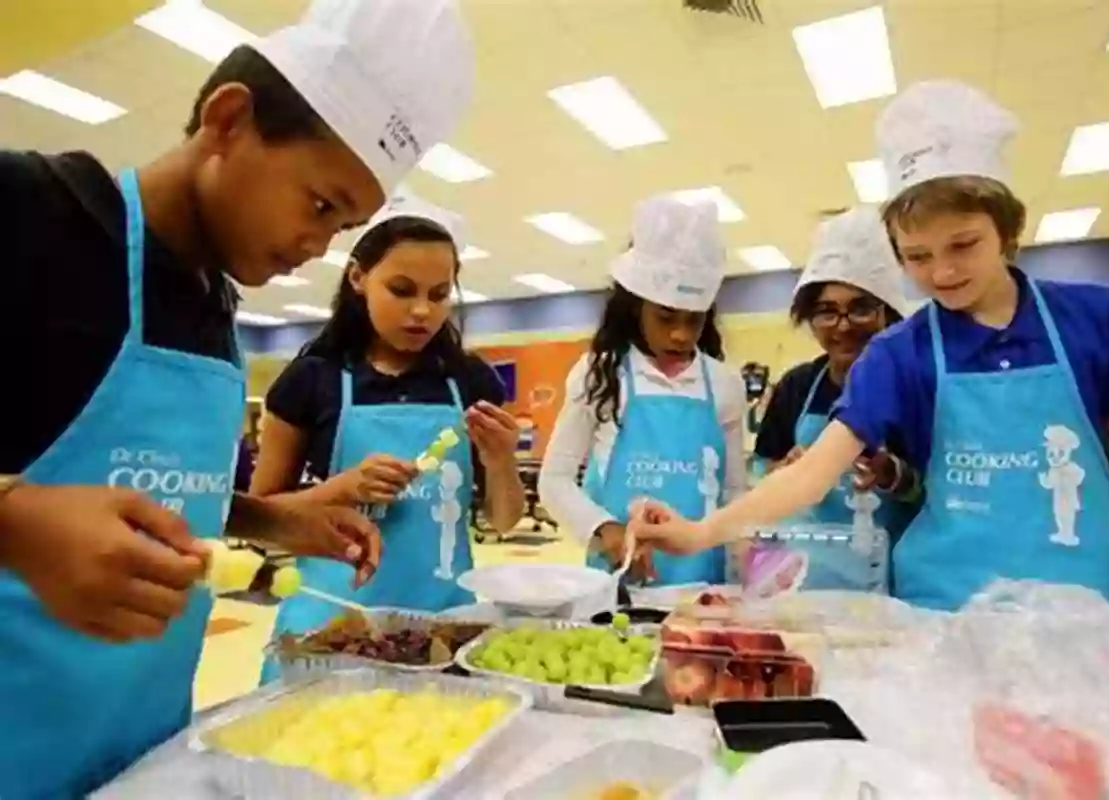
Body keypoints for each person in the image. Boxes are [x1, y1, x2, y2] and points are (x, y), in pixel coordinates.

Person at [0, 0, 475, 794]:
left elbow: (151, 490)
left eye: (344, 224)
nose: (317, 247)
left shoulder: (214, 299)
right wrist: (13, 524)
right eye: (320, 205)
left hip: (141, 753)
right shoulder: (28, 217)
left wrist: (270, 517)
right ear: (228, 120)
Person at [632, 80, 1109, 650]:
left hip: (1087, 603)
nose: (942, 273)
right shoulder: (898, 351)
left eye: (963, 245)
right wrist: (701, 532)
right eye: (917, 256)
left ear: (1009, 230)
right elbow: (809, 474)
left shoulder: (1096, 317)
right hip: (945, 613)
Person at [253, 191, 524, 681]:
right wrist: (343, 489)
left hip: (443, 628)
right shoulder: (310, 381)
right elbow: (258, 516)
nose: (422, 310)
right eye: (402, 289)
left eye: (439, 294)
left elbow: (504, 521)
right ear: (358, 277)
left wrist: (502, 461)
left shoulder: (470, 381)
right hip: (331, 625)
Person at [538, 195, 747, 586]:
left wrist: (744, 576)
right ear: (635, 308)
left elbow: (734, 493)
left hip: (704, 583)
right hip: (618, 582)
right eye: (665, 317)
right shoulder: (598, 375)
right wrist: (606, 531)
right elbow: (554, 480)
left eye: (694, 320)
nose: (680, 334)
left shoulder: (724, 384)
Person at [747, 206, 919, 593]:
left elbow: (932, 492)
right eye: (826, 312)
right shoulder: (797, 386)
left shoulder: (914, 388)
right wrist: (783, 473)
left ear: (887, 312)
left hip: (889, 584)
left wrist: (891, 475)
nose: (842, 326)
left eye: (860, 308)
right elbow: (760, 478)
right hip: (805, 582)